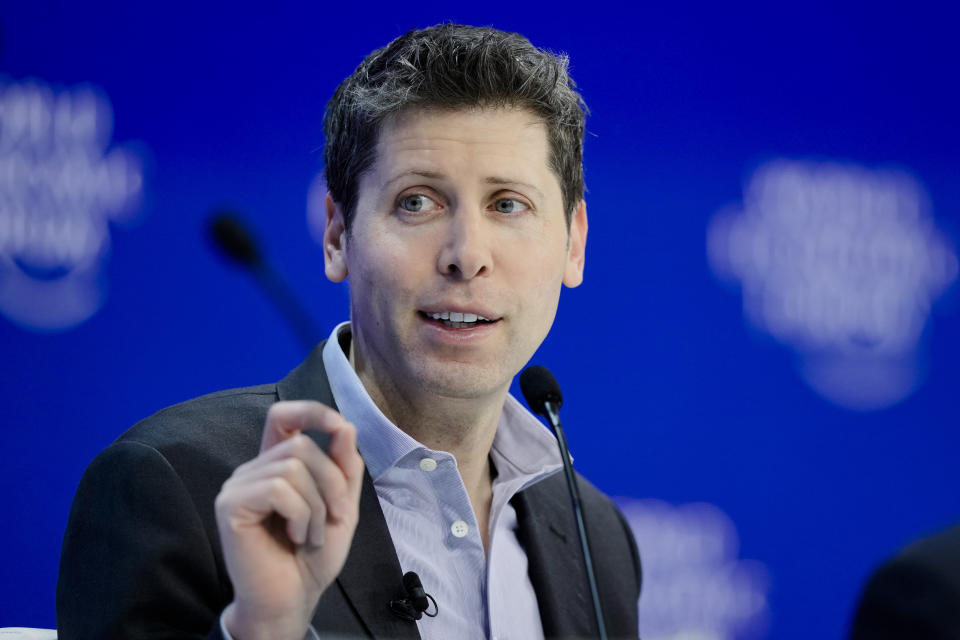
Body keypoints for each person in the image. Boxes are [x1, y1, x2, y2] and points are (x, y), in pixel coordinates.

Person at [57, 24, 642, 639]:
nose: (466, 255)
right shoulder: (175, 486)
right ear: (338, 235)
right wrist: (263, 628)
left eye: (507, 204)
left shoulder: (595, 538)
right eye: (417, 202)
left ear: (574, 242)